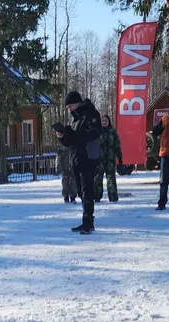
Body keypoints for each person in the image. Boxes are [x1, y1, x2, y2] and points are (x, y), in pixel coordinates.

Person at [56, 90, 101, 233]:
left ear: (77, 103)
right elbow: (70, 142)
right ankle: (86, 220)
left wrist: (76, 136)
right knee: (81, 192)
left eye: (70, 106)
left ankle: (88, 223)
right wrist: (62, 136)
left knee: (87, 191)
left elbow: (95, 133)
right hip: (76, 158)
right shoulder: (74, 119)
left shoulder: (91, 114)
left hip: (88, 157)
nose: (69, 110)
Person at [94, 114, 122, 203]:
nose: (104, 122)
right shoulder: (97, 132)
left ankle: (113, 196)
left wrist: (120, 157)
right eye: (102, 121)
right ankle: (97, 196)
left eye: (106, 120)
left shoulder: (112, 132)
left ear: (109, 122)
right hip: (99, 159)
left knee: (111, 178)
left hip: (110, 159)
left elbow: (117, 145)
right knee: (98, 178)